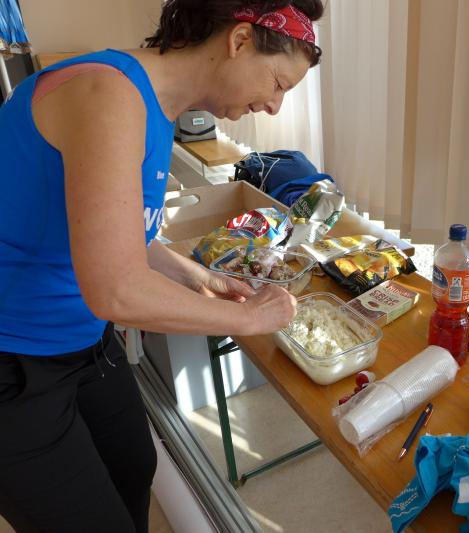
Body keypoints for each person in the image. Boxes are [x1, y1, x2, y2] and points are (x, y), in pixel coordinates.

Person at [0, 0, 324, 530]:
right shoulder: (108, 94)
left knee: (133, 467)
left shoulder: (157, 108)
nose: (274, 106)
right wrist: (249, 318)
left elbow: (118, 233)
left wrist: (198, 276)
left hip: (83, 341)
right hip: (14, 357)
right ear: (240, 40)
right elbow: (117, 289)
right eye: (278, 83)